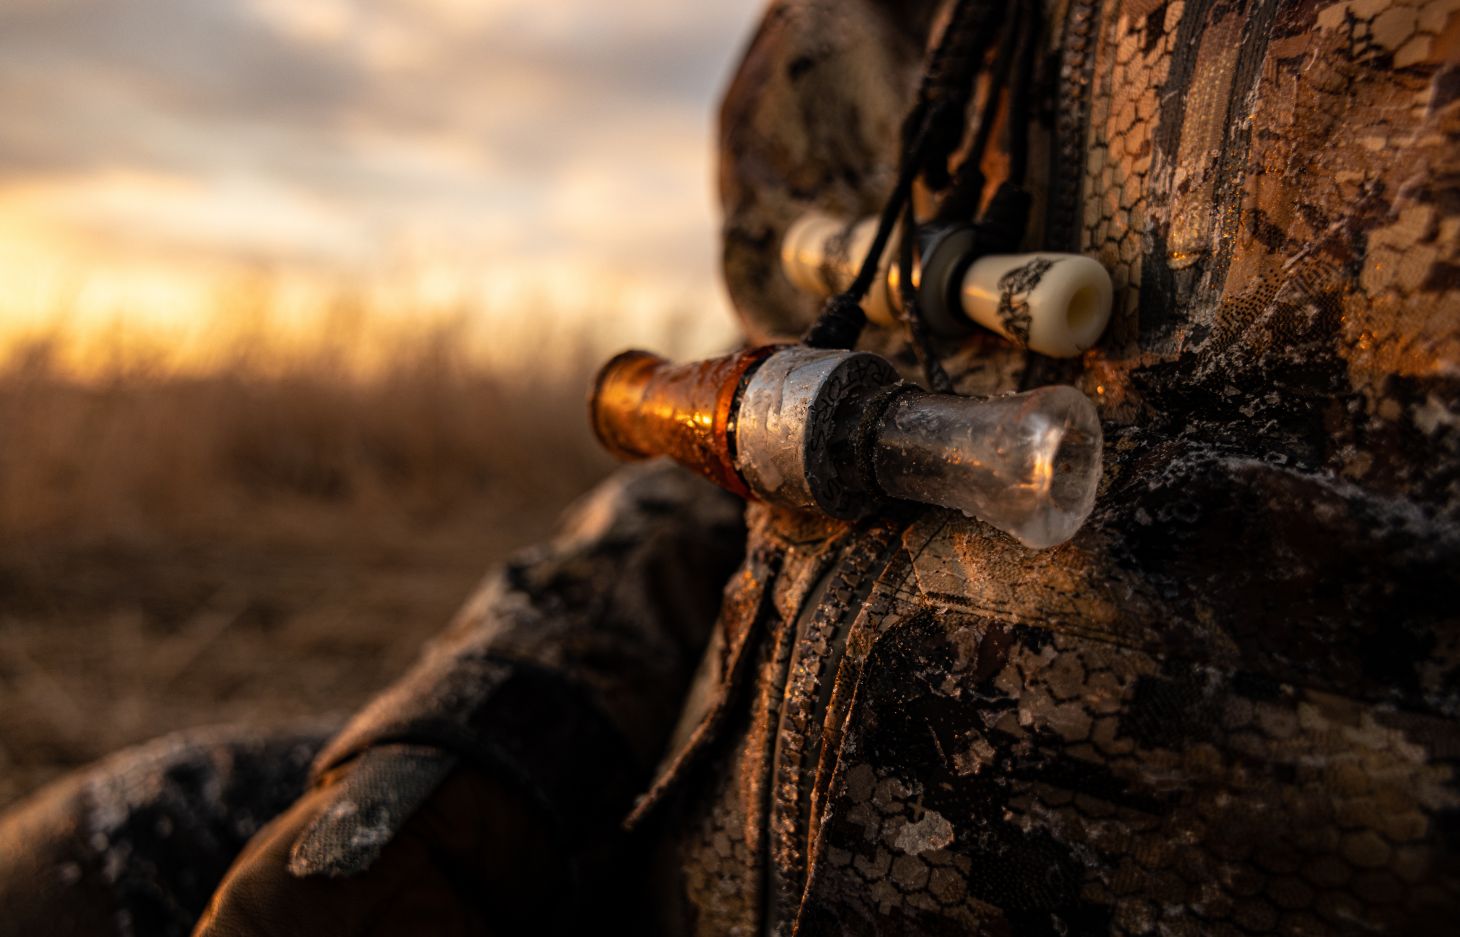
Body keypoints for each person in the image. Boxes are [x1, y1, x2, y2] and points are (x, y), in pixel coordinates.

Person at [3, 0, 1458, 934]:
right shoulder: (870, 37)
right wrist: (471, 745)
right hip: (673, 850)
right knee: (89, 859)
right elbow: (763, 452)